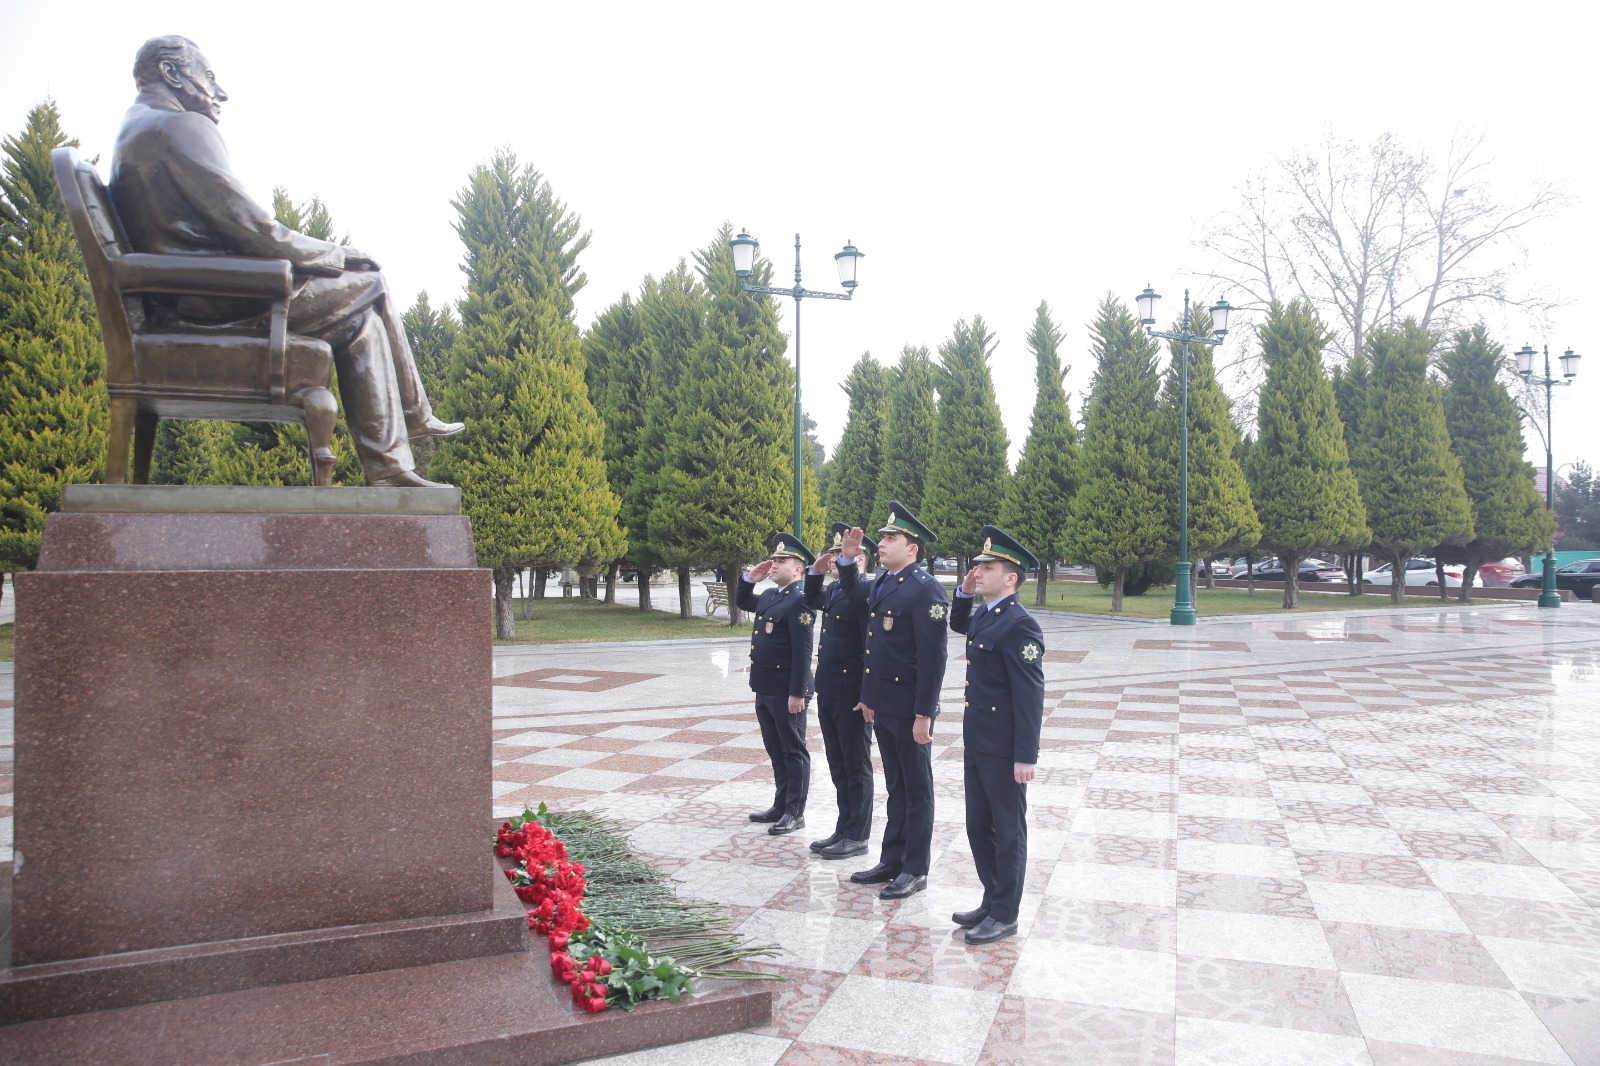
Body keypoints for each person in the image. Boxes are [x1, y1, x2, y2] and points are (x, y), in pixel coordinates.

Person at [109, 36, 461, 488]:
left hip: (191, 293)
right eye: (210, 77)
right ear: (171, 74)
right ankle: (415, 417)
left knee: (361, 325)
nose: (221, 93)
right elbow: (257, 231)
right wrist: (334, 254)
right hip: (219, 299)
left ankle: (391, 469)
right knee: (371, 279)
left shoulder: (134, 128)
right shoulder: (179, 128)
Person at [949, 525, 1046, 945]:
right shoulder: (987, 615)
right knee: (977, 825)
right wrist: (963, 592)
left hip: (1005, 748)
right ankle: (992, 898)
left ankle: (1005, 913)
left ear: (1012, 577)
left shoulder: (1020, 626)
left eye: (988, 567)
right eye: (977, 565)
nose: (978, 571)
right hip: (978, 740)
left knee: (1008, 831)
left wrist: (1026, 755)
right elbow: (958, 626)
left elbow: (1030, 696)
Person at [848, 501, 948, 900]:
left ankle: (915, 867)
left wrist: (924, 713)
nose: (883, 542)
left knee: (916, 787)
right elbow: (875, 649)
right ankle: (892, 858)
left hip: (910, 708)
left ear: (913, 549)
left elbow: (932, 659)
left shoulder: (926, 591)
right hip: (884, 705)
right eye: (885, 536)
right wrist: (868, 698)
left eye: (892, 537)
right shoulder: (887, 583)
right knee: (896, 785)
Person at [802, 523, 876, 860]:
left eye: (840, 555)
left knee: (855, 764)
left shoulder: (866, 592)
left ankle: (858, 834)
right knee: (837, 763)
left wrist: (867, 693)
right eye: (833, 555)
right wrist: (815, 573)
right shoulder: (835, 591)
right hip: (830, 688)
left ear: (859, 558)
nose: (834, 560)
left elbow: (870, 650)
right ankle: (844, 826)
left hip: (853, 692)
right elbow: (812, 598)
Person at [736, 532, 816, 835]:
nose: (774, 563)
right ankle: (781, 804)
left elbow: (802, 651)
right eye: (775, 558)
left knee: (793, 751)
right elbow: (744, 600)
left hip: (787, 691)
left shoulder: (800, 601)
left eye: (782, 560)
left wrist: (798, 693)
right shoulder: (771, 595)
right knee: (776, 749)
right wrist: (749, 578)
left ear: (798, 569)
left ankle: (795, 812)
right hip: (765, 686)